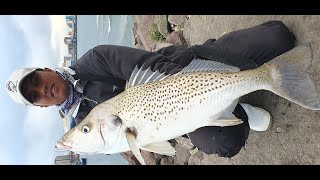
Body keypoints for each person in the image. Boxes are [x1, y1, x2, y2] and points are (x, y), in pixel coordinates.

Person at [6, 20, 295, 160]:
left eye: (36, 79)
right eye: (36, 95)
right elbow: (141, 145)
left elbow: (152, 64)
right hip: (183, 115)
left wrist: (212, 76)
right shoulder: (84, 117)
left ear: (44, 69)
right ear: (42, 105)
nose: (42, 88)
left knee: (279, 36)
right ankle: (238, 104)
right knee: (224, 141)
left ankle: (240, 78)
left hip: (189, 67)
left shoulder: (95, 59)